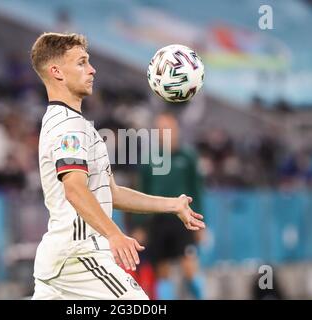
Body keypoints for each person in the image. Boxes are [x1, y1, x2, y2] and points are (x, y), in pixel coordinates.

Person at [30, 32, 205, 300]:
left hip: (63, 260)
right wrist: (114, 235)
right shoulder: (69, 127)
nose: (92, 69)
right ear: (57, 72)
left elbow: (111, 193)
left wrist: (172, 205)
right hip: (78, 256)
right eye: (81, 62)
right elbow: (75, 190)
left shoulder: (78, 125)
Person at [137, 111, 206, 299]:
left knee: (190, 266)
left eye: (167, 128)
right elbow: (141, 192)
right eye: (159, 129)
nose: (163, 132)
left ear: (176, 129)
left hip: (183, 220)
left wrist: (200, 223)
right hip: (158, 221)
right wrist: (140, 225)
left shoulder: (188, 156)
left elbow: (197, 190)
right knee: (162, 271)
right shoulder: (150, 159)